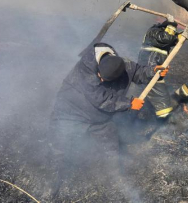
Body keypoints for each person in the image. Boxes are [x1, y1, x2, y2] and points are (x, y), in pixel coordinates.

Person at [43, 42, 167, 199]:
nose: (100, 79)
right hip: (70, 112)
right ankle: (52, 182)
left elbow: (137, 72)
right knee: (58, 145)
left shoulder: (124, 65)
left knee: (111, 146)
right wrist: (129, 103)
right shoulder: (86, 67)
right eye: (100, 76)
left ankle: (115, 176)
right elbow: (101, 99)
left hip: (99, 118)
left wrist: (152, 72)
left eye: (104, 79)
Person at [133, 20, 180, 121]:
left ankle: (139, 116)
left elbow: (171, 40)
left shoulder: (160, 35)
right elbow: (166, 38)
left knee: (148, 94)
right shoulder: (154, 32)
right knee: (162, 100)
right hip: (151, 68)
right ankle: (166, 124)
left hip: (152, 68)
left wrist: (179, 37)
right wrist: (172, 26)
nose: (172, 32)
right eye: (170, 29)